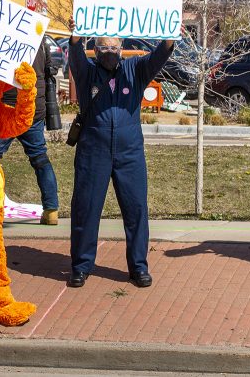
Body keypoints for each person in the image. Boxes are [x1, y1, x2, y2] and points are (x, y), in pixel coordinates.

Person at [66, 23, 176, 289]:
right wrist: (75, 36)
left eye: (115, 47)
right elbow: (75, 54)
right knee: (86, 208)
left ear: (122, 49)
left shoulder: (135, 70)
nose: (109, 51)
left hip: (130, 153)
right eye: (103, 47)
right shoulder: (86, 74)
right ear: (95, 49)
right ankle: (81, 266)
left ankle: (139, 267)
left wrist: (170, 37)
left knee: (136, 209)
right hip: (93, 150)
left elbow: (159, 56)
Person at [0, 40, 60, 225]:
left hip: (7, 107)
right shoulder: (40, 40)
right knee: (40, 158)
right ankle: (51, 210)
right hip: (33, 107)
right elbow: (50, 69)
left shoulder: (2, 36)